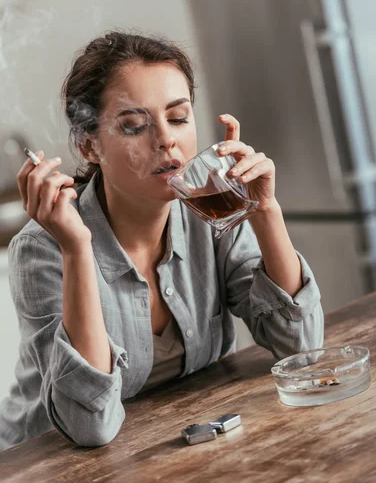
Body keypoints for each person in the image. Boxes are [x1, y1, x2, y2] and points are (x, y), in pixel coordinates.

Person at [0, 32, 323, 451]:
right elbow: (89, 426)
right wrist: (78, 249)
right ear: (88, 144)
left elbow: (300, 347)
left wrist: (264, 211)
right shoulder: (43, 248)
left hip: (171, 449)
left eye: (178, 117)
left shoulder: (211, 209)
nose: (166, 140)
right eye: (134, 125)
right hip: (41, 464)